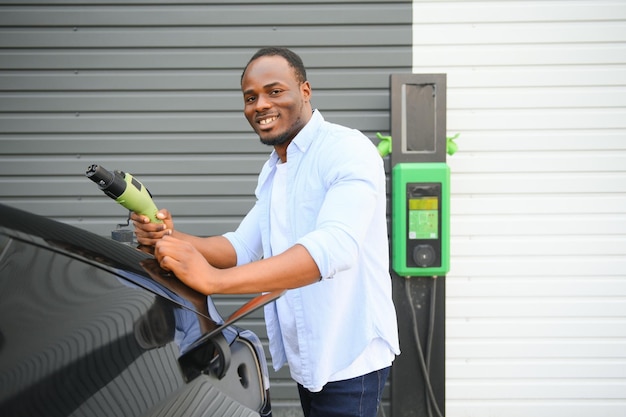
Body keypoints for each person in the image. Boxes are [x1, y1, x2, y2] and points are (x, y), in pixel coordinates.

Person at [132, 47, 400, 417]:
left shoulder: (347, 150)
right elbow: (241, 246)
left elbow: (335, 247)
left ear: (305, 91)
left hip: (349, 354)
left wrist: (214, 281)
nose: (260, 105)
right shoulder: (275, 169)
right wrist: (169, 238)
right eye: (250, 97)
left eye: (275, 91)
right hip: (310, 356)